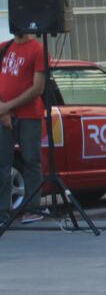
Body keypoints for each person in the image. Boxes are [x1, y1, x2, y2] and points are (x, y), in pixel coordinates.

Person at [0, 32, 46, 224]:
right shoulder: (4, 47)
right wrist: (3, 111)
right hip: (3, 115)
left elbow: (38, 88)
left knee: (31, 161)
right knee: (2, 163)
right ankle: (2, 213)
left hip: (29, 116)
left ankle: (33, 209)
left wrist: (7, 107)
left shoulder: (38, 49)